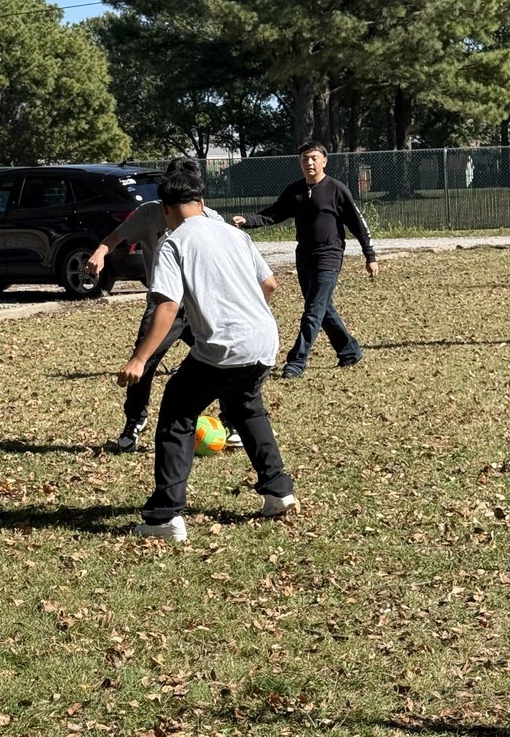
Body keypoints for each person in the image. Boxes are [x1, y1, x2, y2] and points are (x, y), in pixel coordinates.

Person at [118, 171, 297, 542]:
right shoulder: (235, 234)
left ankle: (165, 515)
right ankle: (278, 491)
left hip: (223, 348)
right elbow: (270, 284)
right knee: (247, 407)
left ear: (165, 208)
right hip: (264, 342)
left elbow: (167, 306)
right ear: (201, 201)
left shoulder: (174, 242)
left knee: (177, 413)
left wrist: (140, 358)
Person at [88, 157, 242, 451]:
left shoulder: (212, 219)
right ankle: (134, 421)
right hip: (163, 306)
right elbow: (117, 236)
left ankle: (231, 421)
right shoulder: (149, 214)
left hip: (200, 306)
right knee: (142, 361)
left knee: (224, 360)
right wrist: (101, 251)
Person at [232, 141, 378, 379]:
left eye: (313, 158)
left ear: (324, 161)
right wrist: (247, 220)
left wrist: (369, 256)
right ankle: (349, 350)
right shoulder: (295, 191)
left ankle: (296, 362)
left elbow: (358, 225)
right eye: (304, 159)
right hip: (304, 257)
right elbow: (274, 213)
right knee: (322, 308)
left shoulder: (336, 189)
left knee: (313, 310)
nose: (309, 163)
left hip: (329, 255)